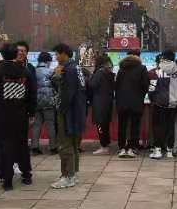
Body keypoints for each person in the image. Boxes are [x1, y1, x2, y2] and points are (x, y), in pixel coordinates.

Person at [0, 43, 37, 190]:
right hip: (21, 114)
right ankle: (26, 174)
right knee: (22, 145)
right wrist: (31, 112)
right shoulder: (25, 71)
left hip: (3, 114)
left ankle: (7, 180)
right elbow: (32, 93)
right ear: (15, 53)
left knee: (5, 146)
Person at [51, 43, 87, 189]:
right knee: (73, 144)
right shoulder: (76, 67)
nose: (56, 57)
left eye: (57, 54)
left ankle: (67, 176)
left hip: (68, 112)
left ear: (63, 54)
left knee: (65, 144)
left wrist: (61, 109)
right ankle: (73, 173)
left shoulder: (68, 69)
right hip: (78, 110)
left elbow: (67, 93)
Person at [148, 50, 177, 160]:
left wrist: (152, 98)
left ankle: (158, 150)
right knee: (171, 126)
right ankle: (170, 150)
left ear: (163, 58)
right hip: (174, 103)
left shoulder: (156, 72)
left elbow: (152, 88)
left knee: (158, 126)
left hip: (159, 103)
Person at [115, 49, 150, 158]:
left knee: (122, 125)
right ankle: (132, 148)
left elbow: (116, 85)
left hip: (122, 101)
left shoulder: (121, 69)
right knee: (135, 125)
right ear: (138, 56)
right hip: (136, 101)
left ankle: (122, 147)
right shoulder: (142, 68)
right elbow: (146, 85)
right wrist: (140, 95)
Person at [32, 52, 58, 155]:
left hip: (36, 100)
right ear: (48, 61)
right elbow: (56, 84)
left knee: (36, 125)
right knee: (50, 124)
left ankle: (34, 147)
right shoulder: (51, 71)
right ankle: (53, 147)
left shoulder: (33, 71)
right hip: (48, 100)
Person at [89, 54, 115, 156]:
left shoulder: (99, 72)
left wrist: (91, 76)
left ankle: (104, 146)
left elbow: (92, 85)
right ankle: (106, 143)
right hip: (108, 101)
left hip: (99, 102)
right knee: (105, 125)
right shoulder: (109, 72)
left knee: (100, 125)